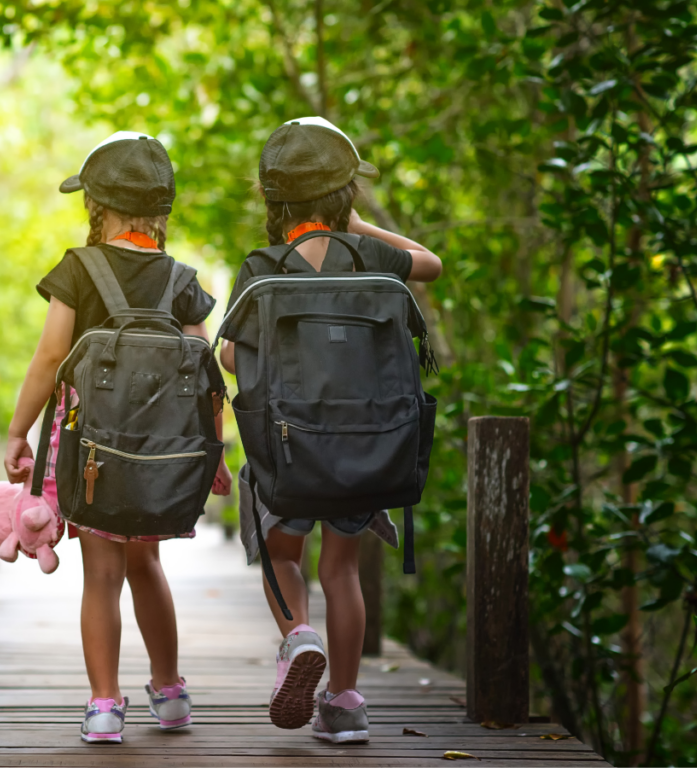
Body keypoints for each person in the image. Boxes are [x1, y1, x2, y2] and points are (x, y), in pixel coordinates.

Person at [219, 117, 443, 744]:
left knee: (283, 555)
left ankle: (299, 638)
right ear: (345, 193)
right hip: (368, 446)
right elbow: (432, 264)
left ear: (274, 198)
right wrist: (356, 227)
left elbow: (233, 357)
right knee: (342, 570)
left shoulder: (265, 266)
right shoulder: (371, 257)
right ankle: (344, 704)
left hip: (289, 452)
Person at [4, 131, 233, 744]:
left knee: (101, 574)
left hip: (91, 455)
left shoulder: (78, 269)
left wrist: (18, 431)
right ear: (161, 212)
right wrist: (214, 449)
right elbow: (204, 370)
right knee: (147, 565)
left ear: (95, 207)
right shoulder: (180, 278)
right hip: (162, 455)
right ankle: (171, 691)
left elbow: (52, 355)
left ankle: (105, 705)